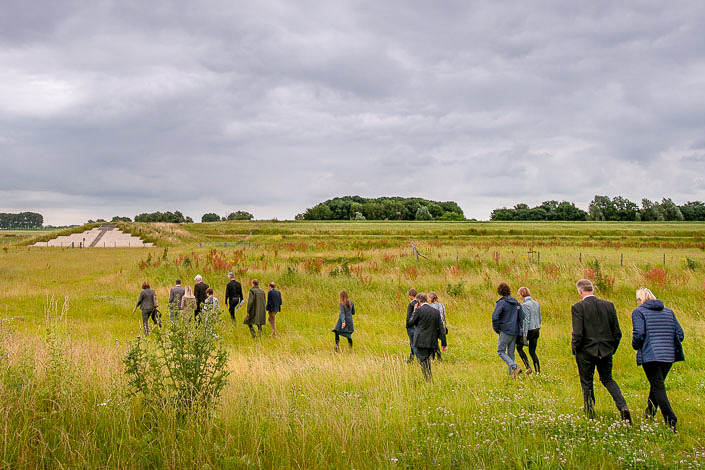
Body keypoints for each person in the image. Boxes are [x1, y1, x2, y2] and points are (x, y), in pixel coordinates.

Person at [572, 279, 631, 423]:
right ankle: (623, 406)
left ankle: (590, 412)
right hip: (606, 350)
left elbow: (578, 333)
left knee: (587, 381)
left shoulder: (578, 307)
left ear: (580, 291)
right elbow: (617, 332)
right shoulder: (608, 306)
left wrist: (575, 349)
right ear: (592, 289)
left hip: (585, 351)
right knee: (608, 379)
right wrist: (611, 349)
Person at [631, 287, 684, 431]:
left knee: (658, 386)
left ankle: (670, 418)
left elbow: (639, 334)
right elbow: (680, 334)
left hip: (650, 355)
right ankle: (649, 414)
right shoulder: (668, 312)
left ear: (640, 300)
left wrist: (636, 346)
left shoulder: (639, 312)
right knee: (657, 385)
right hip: (669, 355)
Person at [406, 293, 447, 380]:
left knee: (424, 361)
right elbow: (441, 327)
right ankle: (428, 378)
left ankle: (428, 379)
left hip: (420, 341)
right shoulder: (435, 312)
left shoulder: (418, 310)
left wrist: (414, 310)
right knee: (427, 359)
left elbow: (409, 323)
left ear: (419, 301)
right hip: (432, 341)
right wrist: (444, 343)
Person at [492, 282, 524, 378]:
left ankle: (515, 366)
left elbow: (494, 317)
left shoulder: (501, 303)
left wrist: (497, 329)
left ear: (499, 292)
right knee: (511, 353)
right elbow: (522, 316)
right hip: (514, 331)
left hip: (505, 330)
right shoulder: (516, 302)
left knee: (500, 351)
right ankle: (512, 376)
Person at [516, 286, 541, 374]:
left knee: (519, 347)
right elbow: (540, 317)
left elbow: (525, 320)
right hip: (536, 329)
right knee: (532, 351)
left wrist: (524, 335)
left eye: (519, 295)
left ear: (522, 294)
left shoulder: (524, 305)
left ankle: (528, 367)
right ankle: (538, 371)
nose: (519, 296)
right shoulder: (536, 303)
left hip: (529, 330)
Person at [428, 291, 447, 361]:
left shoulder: (431, 306)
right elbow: (444, 316)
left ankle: (435, 357)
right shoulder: (442, 305)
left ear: (431, 298)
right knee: (440, 341)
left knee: (434, 342)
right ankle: (437, 357)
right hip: (442, 326)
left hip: (435, 326)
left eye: (429, 298)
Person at [405, 288, 418, 363]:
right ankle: (411, 358)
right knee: (412, 343)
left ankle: (419, 359)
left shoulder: (411, 304)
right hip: (417, 326)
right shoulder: (420, 303)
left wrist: (407, 325)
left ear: (410, 295)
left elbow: (409, 316)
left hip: (411, 326)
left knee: (413, 343)